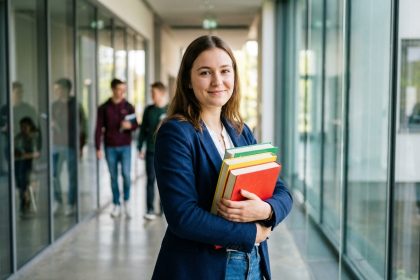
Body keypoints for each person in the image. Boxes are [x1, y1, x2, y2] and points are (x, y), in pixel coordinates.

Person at [152, 35, 293, 280]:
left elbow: (281, 190)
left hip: (254, 263)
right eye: (205, 72)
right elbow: (183, 216)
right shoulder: (176, 133)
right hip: (203, 268)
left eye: (225, 71)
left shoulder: (240, 130)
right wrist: (251, 234)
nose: (218, 81)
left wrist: (266, 209)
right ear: (188, 80)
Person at [95, 78, 138, 218]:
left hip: (125, 146)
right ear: (113, 89)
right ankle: (116, 204)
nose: (121, 92)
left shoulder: (129, 106)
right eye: (119, 89)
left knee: (126, 175)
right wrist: (98, 148)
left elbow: (136, 125)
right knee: (113, 177)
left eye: (123, 90)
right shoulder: (104, 107)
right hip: (110, 147)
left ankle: (126, 201)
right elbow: (98, 128)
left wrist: (130, 126)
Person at [52, 78, 87, 216]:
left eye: (58, 89)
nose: (57, 92)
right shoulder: (53, 106)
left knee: (72, 176)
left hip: (71, 146)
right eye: (55, 89)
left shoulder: (76, 105)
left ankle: (71, 203)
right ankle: (58, 200)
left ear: (66, 89)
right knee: (54, 175)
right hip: (56, 145)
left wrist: (81, 146)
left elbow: (83, 126)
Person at [137, 81, 168, 220]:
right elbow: (143, 130)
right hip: (150, 150)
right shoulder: (148, 110)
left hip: (167, 152)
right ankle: (149, 209)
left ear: (162, 93)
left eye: (154, 93)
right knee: (150, 180)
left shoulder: (170, 109)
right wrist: (139, 147)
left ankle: (163, 208)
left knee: (165, 181)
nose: (152, 95)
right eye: (151, 93)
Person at [14, 117, 40, 217]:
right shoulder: (19, 137)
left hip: (31, 164)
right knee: (20, 170)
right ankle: (24, 196)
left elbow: (37, 154)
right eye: (21, 127)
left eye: (25, 127)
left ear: (30, 127)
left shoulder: (34, 137)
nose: (23, 129)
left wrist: (25, 156)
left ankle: (25, 197)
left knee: (23, 173)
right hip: (21, 163)